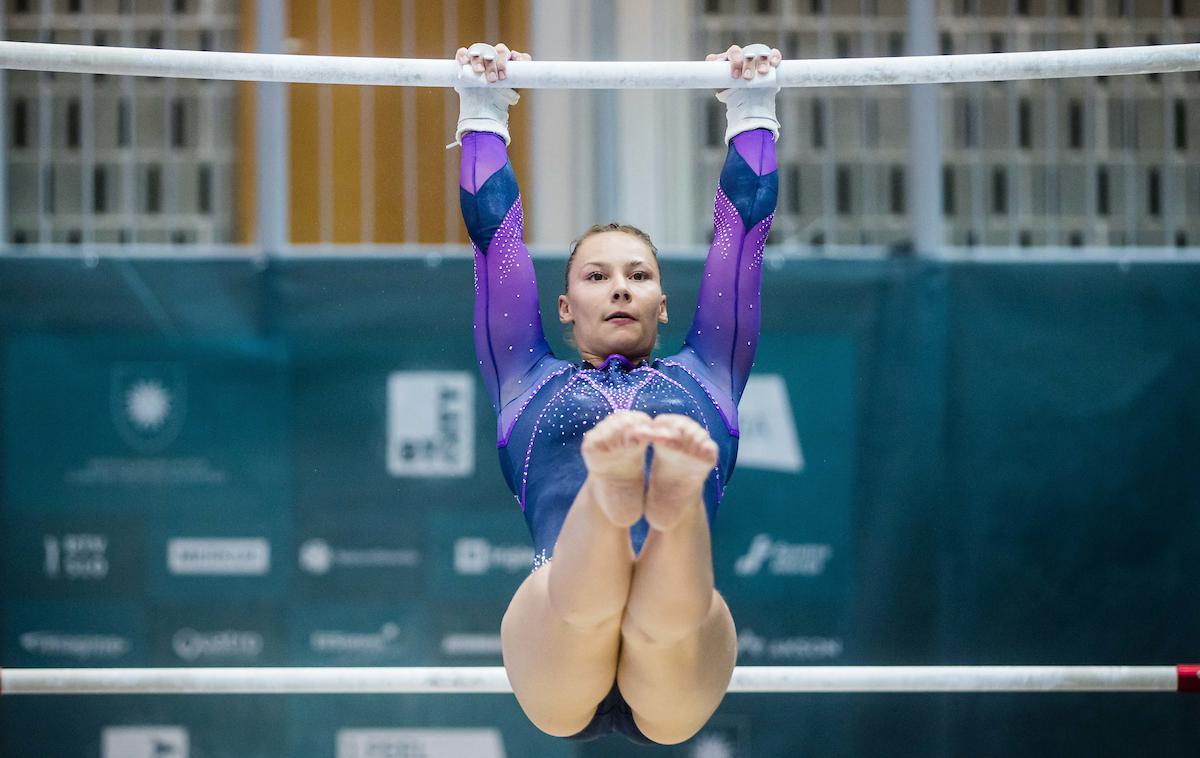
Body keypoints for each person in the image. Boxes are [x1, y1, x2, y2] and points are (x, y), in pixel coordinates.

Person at [453, 40, 781, 746]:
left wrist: (752, 103)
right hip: (560, 630)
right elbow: (492, 240)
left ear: (665, 304)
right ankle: (631, 494)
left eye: (638, 274)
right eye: (597, 276)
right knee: (586, 611)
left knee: (669, 624)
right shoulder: (525, 376)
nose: (621, 285)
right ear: (563, 306)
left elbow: (743, 239)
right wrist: (483, 106)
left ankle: (655, 500)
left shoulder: (708, 371)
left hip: (669, 649)